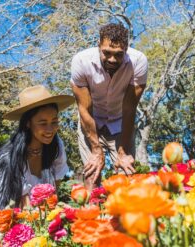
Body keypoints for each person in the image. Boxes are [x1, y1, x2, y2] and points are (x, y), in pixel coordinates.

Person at [0, 85, 74, 237]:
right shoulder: (9, 156)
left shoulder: (56, 146)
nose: (50, 129)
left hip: (36, 218)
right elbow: (23, 204)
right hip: (3, 221)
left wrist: (52, 217)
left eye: (54, 121)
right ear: (27, 123)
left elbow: (54, 189)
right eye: (43, 123)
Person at [70, 23, 148, 189]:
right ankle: (93, 212)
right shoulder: (81, 61)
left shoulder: (138, 62)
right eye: (107, 53)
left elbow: (129, 109)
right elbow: (84, 109)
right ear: (99, 45)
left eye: (119, 54)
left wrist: (123, 152)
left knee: (126, 177)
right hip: (91, 119)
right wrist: (96, 150)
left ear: (126, 49)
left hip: (120, 121)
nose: (112, 59)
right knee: (92, 174)